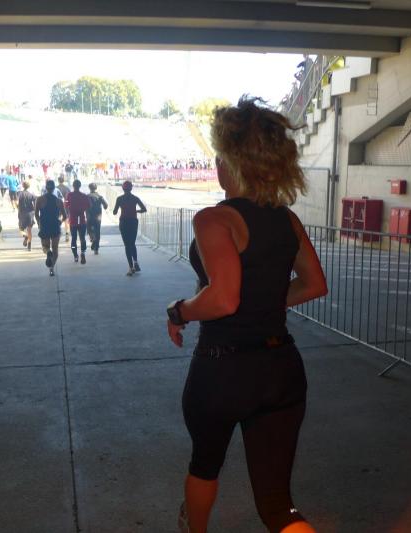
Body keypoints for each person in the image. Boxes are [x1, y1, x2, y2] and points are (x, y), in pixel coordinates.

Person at [166, 97, 327, 533]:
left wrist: (179, 310)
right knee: (277, 504)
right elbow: (314, 284)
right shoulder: (287, 220)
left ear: (231, 162)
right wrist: (265, 302)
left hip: (223, 370)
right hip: (281, 368)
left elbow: (223, 300)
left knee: (205, 465)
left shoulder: (214, 220)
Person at [112, 181, 147, 276]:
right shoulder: (135, 198)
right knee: (132, 243)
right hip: (133, 222)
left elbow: (114, 212)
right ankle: (135, 262)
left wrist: (120, 208)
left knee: (127, 245)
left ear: (123, 189)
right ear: (131, 188)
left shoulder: (119, 199)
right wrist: (136, 211)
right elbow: (144, 209)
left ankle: (131, 268)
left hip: (124, 223)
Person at [35, 180, 67, 277]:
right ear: (54, 188)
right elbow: (65, 216)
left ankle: (48, 252)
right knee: (55, 249)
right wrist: (60, 222)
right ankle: (51, 268)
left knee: (45, 247)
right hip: (55, 226)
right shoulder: (58, 201)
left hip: (44, 225)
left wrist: (39, 223)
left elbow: (36, 214)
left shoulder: (39, 199)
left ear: (46, 188)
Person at [66, 179, 91, 264]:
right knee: (82, 238)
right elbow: (89, 206)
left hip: (73, 219)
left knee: (73, 239)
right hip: (81, 219)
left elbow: (66, 204)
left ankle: (75, 255)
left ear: (73, 186)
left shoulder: (69, 195)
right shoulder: (84, 196)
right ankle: (83, 253)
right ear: (80, 186)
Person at [86, 183, 108, 255]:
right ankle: (96, 249)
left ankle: (93, 239)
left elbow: (83, 206)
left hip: (89, 216)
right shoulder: (100, 196)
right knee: (97, 231)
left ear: (89, 188)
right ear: (96, 188)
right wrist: (103, 207)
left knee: (89, 230)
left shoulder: (87, 196)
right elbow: (106, 205)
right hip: (98, 217)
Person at [17, 181, 37, 251]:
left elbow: (16, 202)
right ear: (29, 186)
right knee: (29, 230)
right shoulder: (31, 195)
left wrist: (18, 207)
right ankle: (29, 246)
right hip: (30, 214)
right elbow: (35, 204)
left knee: (21, 229)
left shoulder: (19, 194)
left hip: (22, 213)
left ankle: (25, 236)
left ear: (23, 186)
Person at [57, 176, 72, 242]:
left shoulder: (56, 188)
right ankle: (67, 234)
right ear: (64, 181)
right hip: (66, 206)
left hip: (58, 207)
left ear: (58, 181)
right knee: (66, 220)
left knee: (58, 220)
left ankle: (58, 232)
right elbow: (70, 198)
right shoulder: (67, 188)